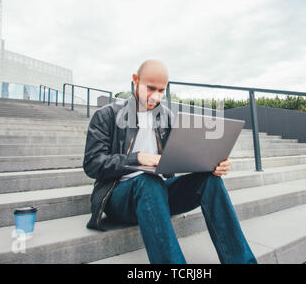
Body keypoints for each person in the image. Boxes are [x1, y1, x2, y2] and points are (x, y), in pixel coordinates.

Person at [83, 60, 257, 264]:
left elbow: (186, 155)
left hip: (157, 194)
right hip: (118, 196)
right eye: (150, 88)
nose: (156, 96)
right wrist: (138, 157)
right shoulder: (107, 115)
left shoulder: (166, 116)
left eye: (161, 90)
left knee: (210, 181)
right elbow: (93, 163)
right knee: (148, 181)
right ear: (135, 80)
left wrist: (214, 163)